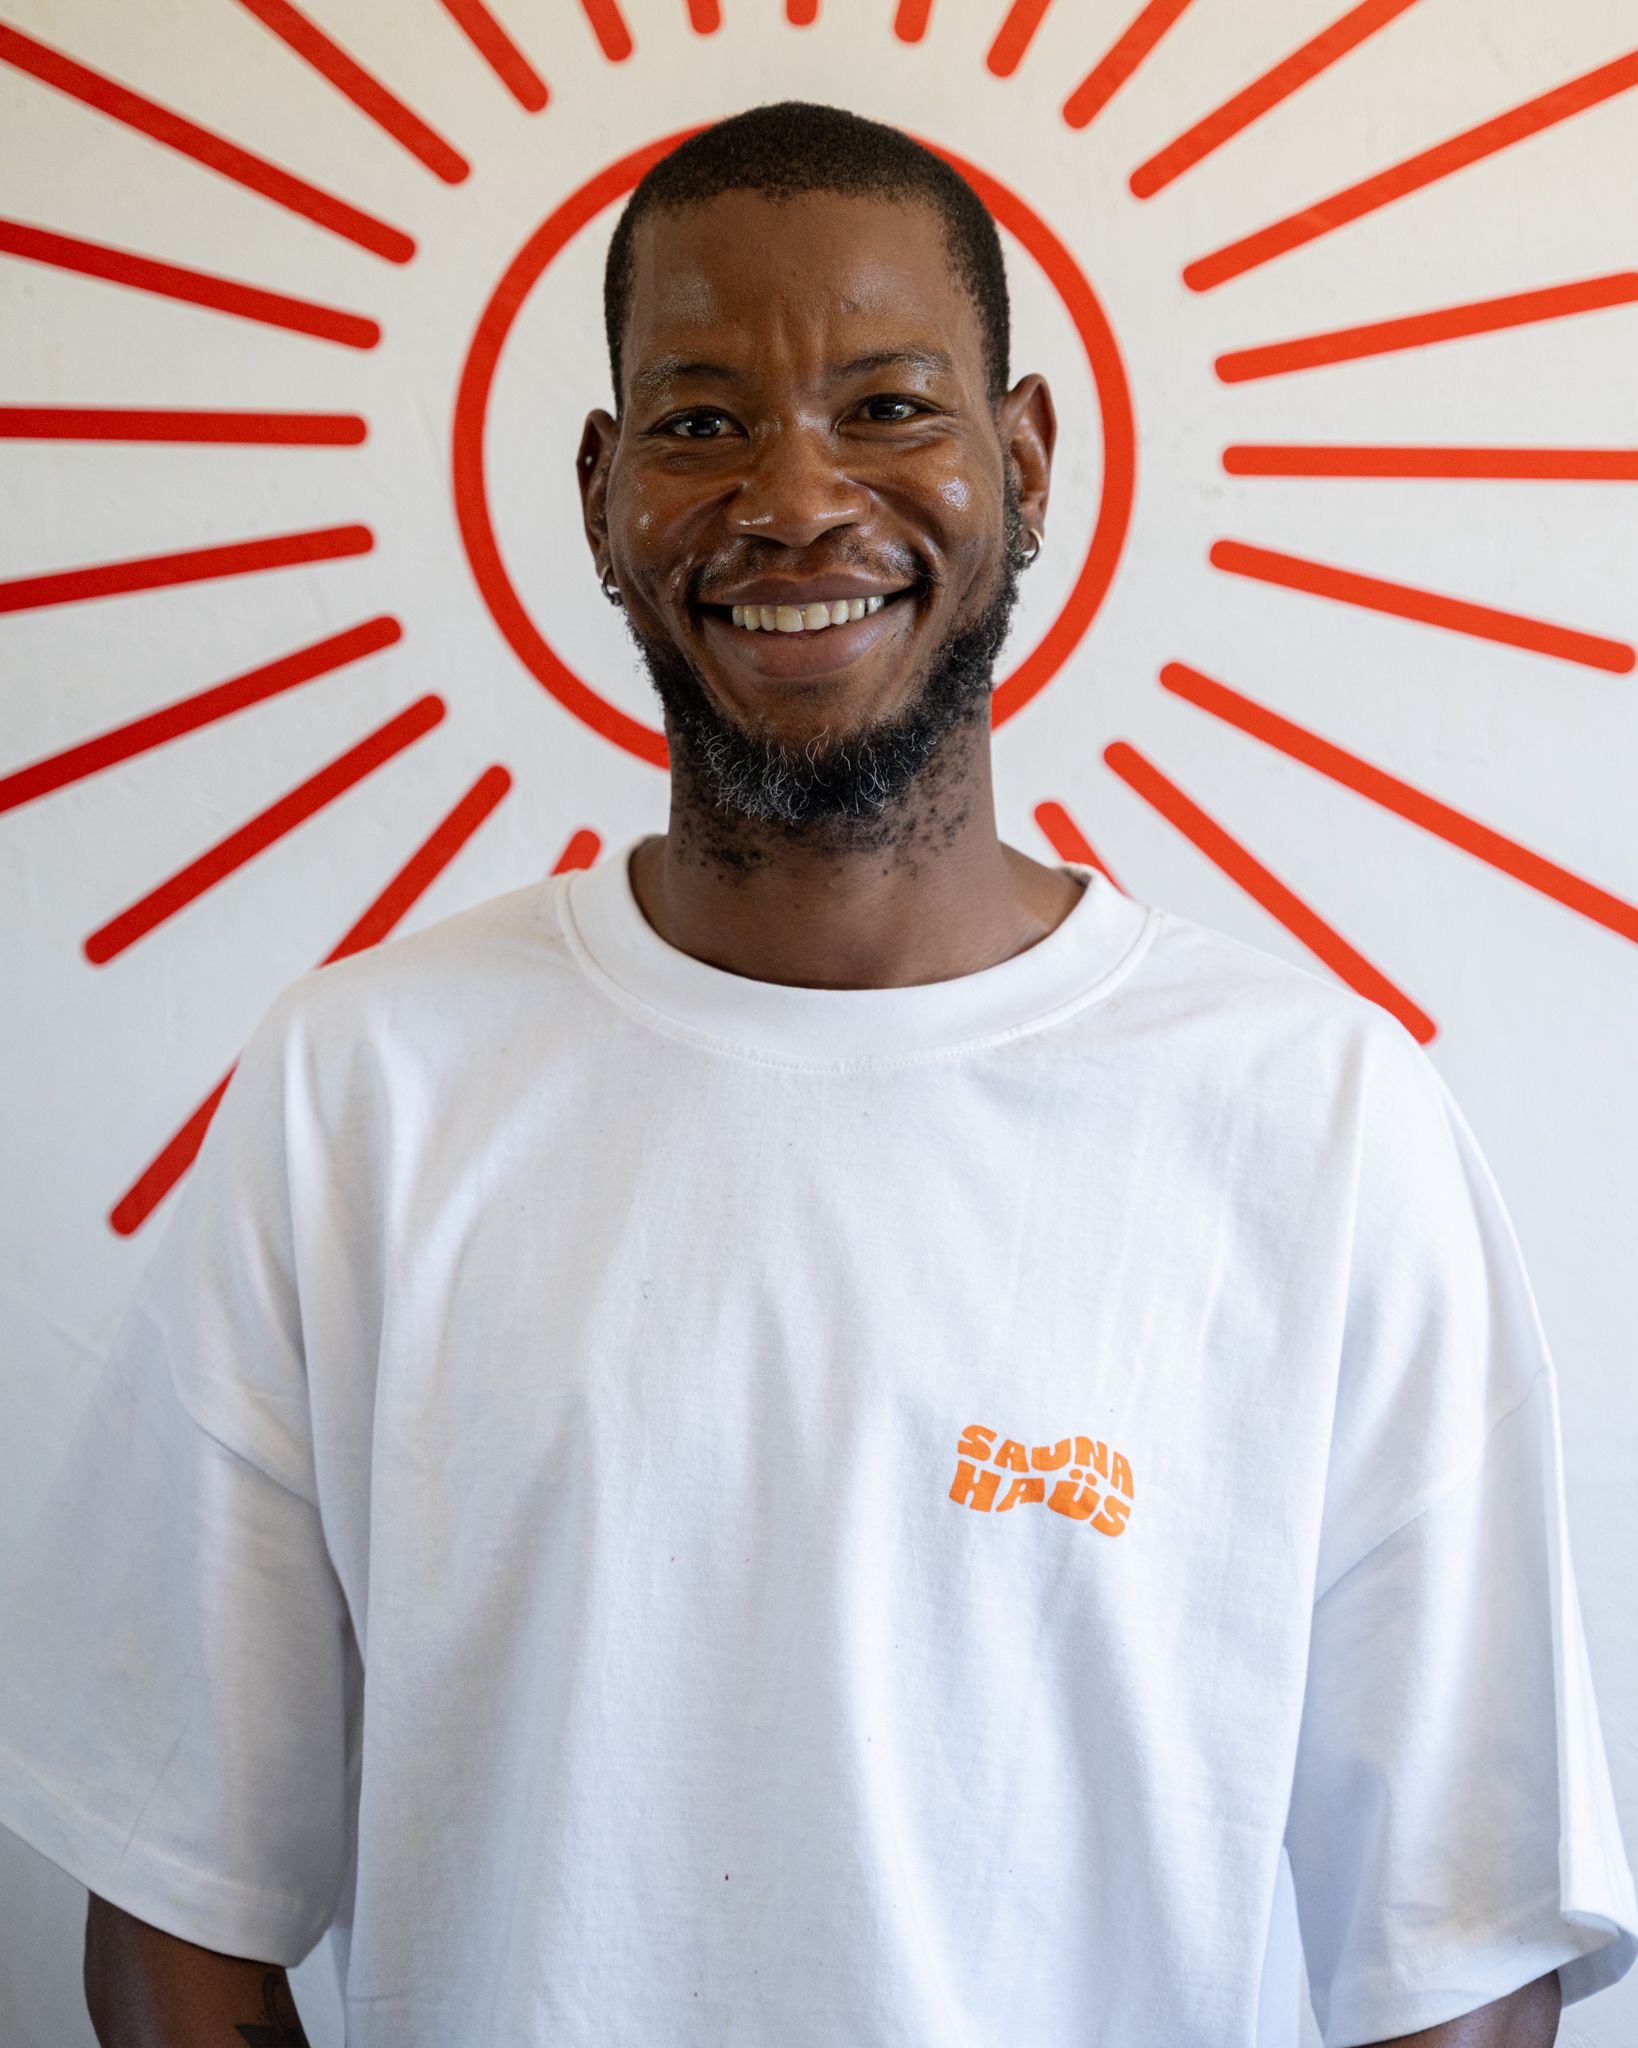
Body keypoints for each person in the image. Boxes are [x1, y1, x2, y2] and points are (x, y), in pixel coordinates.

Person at [0, 98, 1632, 2048]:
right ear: (602, 497)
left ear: (1022, 461)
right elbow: (177, 1902)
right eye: (699, 422)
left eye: (886, 405)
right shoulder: (362, 1094)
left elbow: (1454, 1957)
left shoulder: (1320, 1123)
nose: (794, 495)